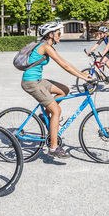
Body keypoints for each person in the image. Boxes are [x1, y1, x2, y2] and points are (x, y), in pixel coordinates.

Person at [21, 21, 92, 159]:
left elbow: (66, 62)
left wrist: (83, 75)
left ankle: (46, 115)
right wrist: (84, 78)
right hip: (31, 83)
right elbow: (64, 65)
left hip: (38, 81)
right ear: (51, 35)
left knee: (64, 90)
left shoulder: (48, 46)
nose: (61, 35)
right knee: (57, 111)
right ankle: (53, 148)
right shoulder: (45, 47)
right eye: (59, 33)